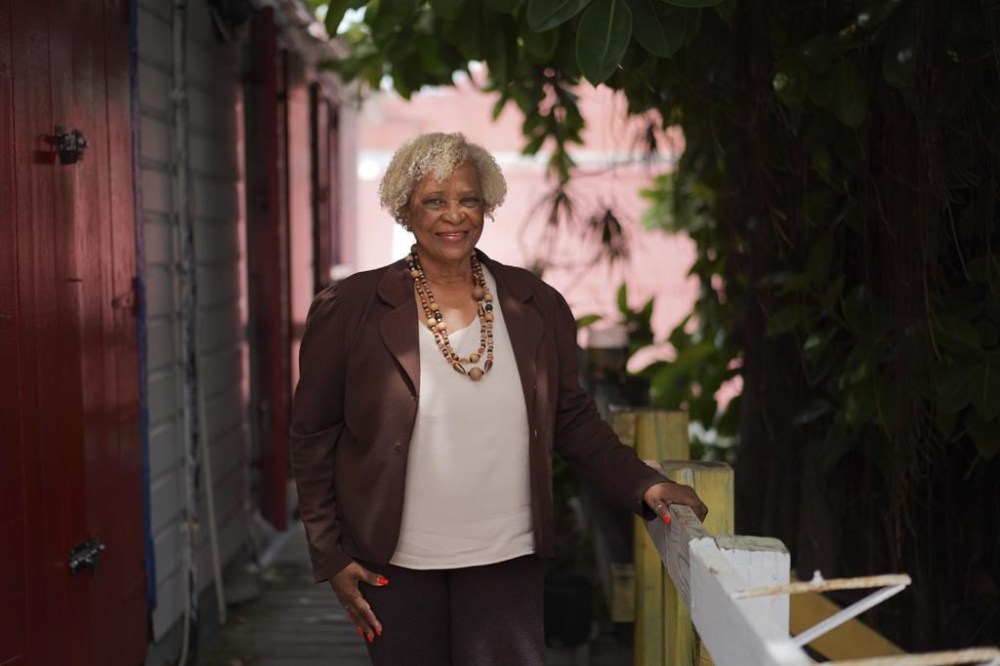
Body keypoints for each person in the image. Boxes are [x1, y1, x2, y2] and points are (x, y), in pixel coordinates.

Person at [290, 132, 708, 665]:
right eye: (434, 201)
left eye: (467, 199)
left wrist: (645, 484)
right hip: (392, 564)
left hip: (506, 558)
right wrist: (329, 553)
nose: (454, 216)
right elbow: (313, 436)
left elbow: (573, 420)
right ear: (405, 210)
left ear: (486, 204)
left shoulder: (535, 303)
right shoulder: (350, 307)